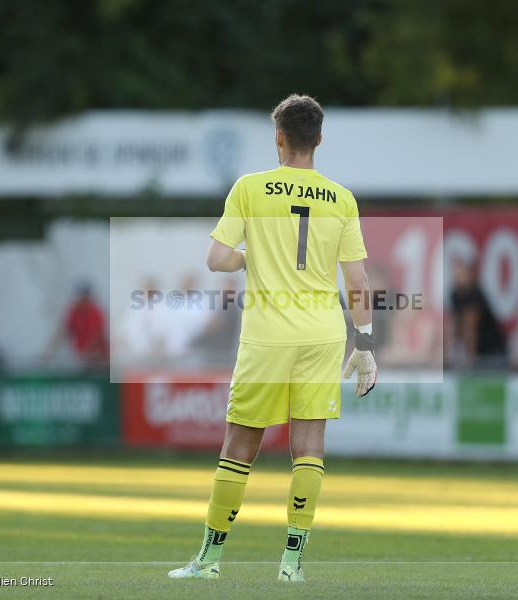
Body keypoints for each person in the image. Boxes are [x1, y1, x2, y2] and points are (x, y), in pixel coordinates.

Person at [168, 94, 375, 583]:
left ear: (278, 138)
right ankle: (291, 564)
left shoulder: (250, 188)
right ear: (319, 139)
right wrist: (365, 345)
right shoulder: (342, 199)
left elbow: (217, 259)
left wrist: (250, 258)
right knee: (309, 445)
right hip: (322, 334)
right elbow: (358, 281)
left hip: (267, 335)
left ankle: (209, 560)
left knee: (239, 444)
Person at [449, 259, 506, 368]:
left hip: (492, 351)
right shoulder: (455, 294)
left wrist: (470, 360)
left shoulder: (474, 295)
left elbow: (470, 329)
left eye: (461, 274)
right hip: (480, 352)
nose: (457, 278)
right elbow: (455, 324)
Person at [43, 281, 108, 369]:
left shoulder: (95, 312)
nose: (81, 300)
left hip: (98, 360)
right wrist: (48, 354)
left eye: (84, 297)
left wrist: (86, 355)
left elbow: (96, 337)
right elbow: (63, 333)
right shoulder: (73, 312)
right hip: (82, 359)